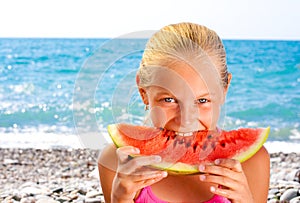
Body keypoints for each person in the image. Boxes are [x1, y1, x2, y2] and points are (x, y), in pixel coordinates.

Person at [98, 22, 270, 203]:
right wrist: (120, 200)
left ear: (224, 90)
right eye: (169, 100)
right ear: (144, 93)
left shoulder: (252, 161)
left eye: (202, 101)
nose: (186, 120)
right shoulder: (118, 162)